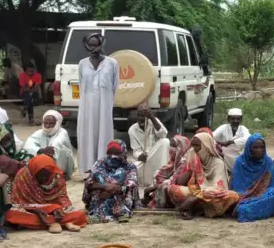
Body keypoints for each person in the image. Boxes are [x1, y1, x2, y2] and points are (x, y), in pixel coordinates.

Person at [5, 155, 87, 233]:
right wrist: (36, 210)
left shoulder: (56, 176)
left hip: (54, 208)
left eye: (47, 175)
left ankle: (54, 222)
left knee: (79, 214)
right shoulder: (23, 176)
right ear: (33, 172)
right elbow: (18, 202)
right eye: (40, 175)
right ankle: (64, 222)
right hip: (30, 209)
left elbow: (63, 197)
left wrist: (57, 210)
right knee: (11, 214)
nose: (44, 178)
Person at [168, 133, 240, 219]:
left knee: (233, 196)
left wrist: (196, 198)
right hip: (196, 192)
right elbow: (181, 182)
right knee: (172, 189)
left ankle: (193, 207)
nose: (194, 148)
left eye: (197, 145)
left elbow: (218, 188)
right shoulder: (194, 158)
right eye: (192, 145)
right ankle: (196, 208)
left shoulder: (217, 163)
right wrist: (190, 166)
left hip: (212, 196)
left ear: (206, 146)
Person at [230, 134, 274, 222]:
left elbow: (273, 186)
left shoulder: (268, 161)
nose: (259, 150)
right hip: (246, 199)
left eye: (262, 147)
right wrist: (252, 195)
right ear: (249, 148)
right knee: (242, 209)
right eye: (255, 147)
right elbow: (238, 189)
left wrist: (268, 192)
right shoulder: (240, 162)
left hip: (265, 196)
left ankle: (262, 208)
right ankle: (266, 209)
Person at [77, 33, 118, 174]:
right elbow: (82, 85)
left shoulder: (112, 63)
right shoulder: (82, 64)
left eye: (96, 44)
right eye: (91, 44)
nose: (93, 47)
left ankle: (103, 168)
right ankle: (88, 168)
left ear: (102, 44)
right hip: (87, 106)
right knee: (87, 134)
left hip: (104, 105)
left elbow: (114, 86)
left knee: (104, 134)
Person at [82, 139, 138, 223]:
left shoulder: (129, 166)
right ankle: (99, 212)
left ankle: (119, 212)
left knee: (121, 176)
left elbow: (129, 186)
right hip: (101, 193)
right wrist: (105, 187)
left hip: (121, 194)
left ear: (124, 152)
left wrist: (112, 190)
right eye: (111, 153)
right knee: (97, 176)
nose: (113, 156)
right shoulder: (99, 163)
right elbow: (89, 184)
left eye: (117, 153)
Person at [0, 123, 34, 205]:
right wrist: (19, 165)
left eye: (9, 139)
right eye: (3, 140)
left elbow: (30, 160)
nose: (7, 142)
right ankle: (7, 207)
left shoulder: (18, 149)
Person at [23, 110, 75, 180]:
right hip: (44, 161)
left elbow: (57, 143)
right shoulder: (39, 133)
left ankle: (60, 173)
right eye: (45, 123)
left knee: (62, 150)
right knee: (29, 152)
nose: (47, 126)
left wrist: (50, 151)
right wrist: (40, 150)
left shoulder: (62, 132)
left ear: (57, 123)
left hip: (59, 162)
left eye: (51, 123)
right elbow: (28, 144)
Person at [143, 135, 190, 209]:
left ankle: (160, 202)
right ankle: (155, 198)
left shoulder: (185, 163)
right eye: (170, 145)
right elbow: (161, 174)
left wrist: (155, 187)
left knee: (165, 186)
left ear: (182, 147)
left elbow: (175, 180)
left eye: (174, 146)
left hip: (180, 189)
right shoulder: (173, 162)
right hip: (169, 186)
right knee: (158, 175)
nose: (171, 148)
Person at [128, 104, 170, 187]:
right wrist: (140, 156)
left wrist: (152, 117)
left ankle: (161, 176)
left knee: (165, 141)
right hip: (145, 160)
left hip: (157, 157)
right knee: (133, 168)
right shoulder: (132, 130)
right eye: (139, 115)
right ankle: (150, 180)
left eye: (143, 116)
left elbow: (163, 134)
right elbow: (136, 151)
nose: (141, 118)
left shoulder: (154, 122)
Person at [213, 108, 250, 173]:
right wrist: (220, 143)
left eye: (238, 119)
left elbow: (249, 139)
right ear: (228, 119)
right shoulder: (223, 127)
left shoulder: (243, 129)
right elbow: (211, 137)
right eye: (233, 119)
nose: (235, 121)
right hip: (225, 158)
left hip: (240, 159)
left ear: (241, 120)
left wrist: (230, 142)